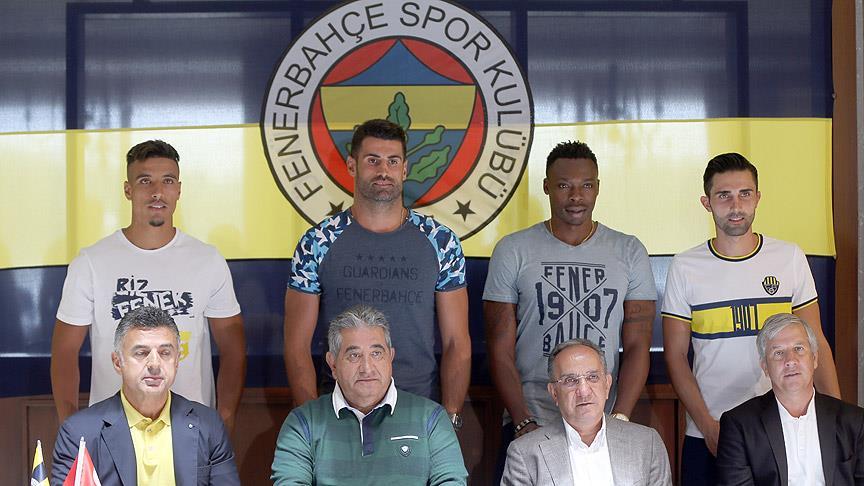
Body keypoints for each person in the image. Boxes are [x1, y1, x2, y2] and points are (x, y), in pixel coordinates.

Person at [662, 153, 841, 485]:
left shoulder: (788, 257)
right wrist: (708, 426)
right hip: (710, 431)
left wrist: (836, 420)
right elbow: (675, 356)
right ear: (706, 202)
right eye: (724, 195)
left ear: (757, 197)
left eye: (745, 193)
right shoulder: (685, 266)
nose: (736, 205)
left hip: (783, 426)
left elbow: (815, 341)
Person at [483, 140, 657, 476]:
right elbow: (499, 348)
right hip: (532, 420)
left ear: (597, 188)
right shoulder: (513, 250)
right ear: (547, 187)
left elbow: (638, 345)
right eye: (564, 186)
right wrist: (522, 420)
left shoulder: (629, 250)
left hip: (601, 422)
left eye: (586, 185)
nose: (576, 196)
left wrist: (619, 418)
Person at [284, 119, 470, 430]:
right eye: (373, 160)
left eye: (393, 161)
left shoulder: (441, 241)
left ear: (405, 169)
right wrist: (312, 425)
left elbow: (456, 342)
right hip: (339, 414)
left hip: (419, 412)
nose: (383, 170)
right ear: (352, 165)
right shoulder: (317, 242)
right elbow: (296, 345)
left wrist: (450, 418)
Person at [50, 139, 246, 432]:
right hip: (112, 432)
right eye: (145, 181)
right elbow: (64, 352)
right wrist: (71, 429)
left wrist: (224, 423)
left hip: (189, 431)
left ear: (178, 190)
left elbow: (234, 350)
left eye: (167, 181)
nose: (157, 191)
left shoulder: (208, 260)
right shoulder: (91, 262)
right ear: (128, 190)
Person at [272, 305, 468, 485]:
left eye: (376, 354)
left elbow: (452, 482)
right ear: (333, 364)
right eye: (354, 355)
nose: (367, 368)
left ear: (390, 357)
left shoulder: (431, 418)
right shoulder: (302, 423)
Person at [52, 306, 239, 485]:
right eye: (141, 353)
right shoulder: (79, 432)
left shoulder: (208, 425)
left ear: (176, 361)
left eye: (165, 353)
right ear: (117, 362)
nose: (155, 364)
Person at [716, 313, 864, 485]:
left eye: (799, 349)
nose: (790, 360)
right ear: (765, 367)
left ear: (814, 359)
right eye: (778, 353)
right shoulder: (739, 425)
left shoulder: (854, 421)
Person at [501, 338, 671, 485]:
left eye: (592, 377)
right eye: (570, 380)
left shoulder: (646, 442)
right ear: (554, 393)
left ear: (607, 385)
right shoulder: (525, 452)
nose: (583, 391)